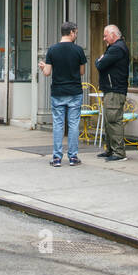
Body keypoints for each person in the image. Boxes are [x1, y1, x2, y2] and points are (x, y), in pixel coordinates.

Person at [39, 21, 87, 167]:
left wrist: (42, 67)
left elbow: (47, 73)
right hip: (74, 91)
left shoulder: (52, 50)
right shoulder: (79, 50)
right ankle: (73, 157)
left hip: (58, 92)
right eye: (76, 32)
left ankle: (57, 158)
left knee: (58, 125)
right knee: (73, 125)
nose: (76, 35)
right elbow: (82, 72)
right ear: (71, 32)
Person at [95, 24, 130, 163]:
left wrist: (100, 59)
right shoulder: (116, 47)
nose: (104, 39)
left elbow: (100, 64)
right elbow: (101, 63)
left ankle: (118, 152)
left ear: (114, 35)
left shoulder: (116, 48)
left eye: (105, 35)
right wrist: (101, 59)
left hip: (115, 90)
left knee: (114, 121)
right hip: (111, 89)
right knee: (109, 121)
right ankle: (110, 150)